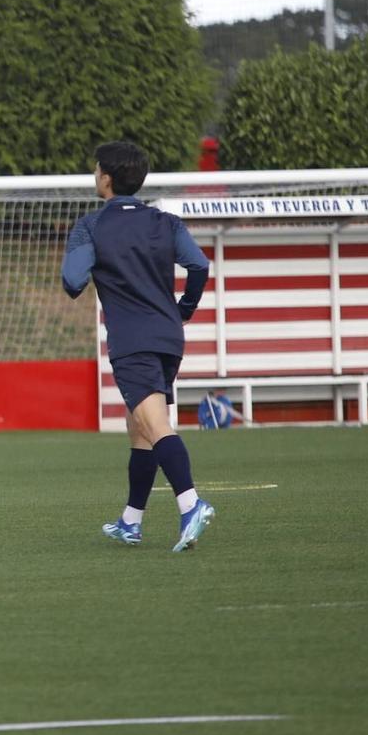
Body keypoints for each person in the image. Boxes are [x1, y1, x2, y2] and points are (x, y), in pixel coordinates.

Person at [61, 140, 217, 552]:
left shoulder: (92, 226)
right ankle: (131, 520)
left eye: (97, 170)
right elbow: (199, 265)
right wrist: (185, 307)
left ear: (106, 179)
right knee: (140, 431)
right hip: (169, 336)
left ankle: (191, 504)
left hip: (132, 342)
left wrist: (92, 258)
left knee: (155, 425)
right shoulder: (164, 222)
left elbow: (72, 283)